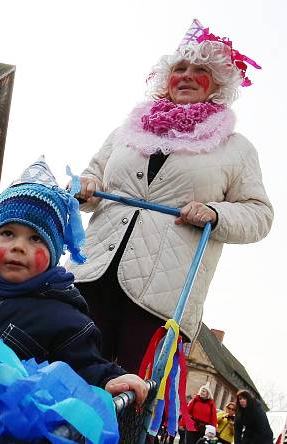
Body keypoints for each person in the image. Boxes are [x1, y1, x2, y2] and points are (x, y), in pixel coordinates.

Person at [69, 19, 273, 371]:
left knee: (133, 390)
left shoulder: (236, 147)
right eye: (180, 68)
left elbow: (259, 215)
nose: (187, 76)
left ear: (218, 84)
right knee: (71, 369)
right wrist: (83, 188)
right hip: (93, 273)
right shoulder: (126, 131)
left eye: (200, 70)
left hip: (161, 295)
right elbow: (93, 177)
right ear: (166, 77)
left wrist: (215, 212)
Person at [0, 159, 148, 401]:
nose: (19, 246)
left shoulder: (65, 319)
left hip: (2, 420)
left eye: (35, 239)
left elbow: (85, 367)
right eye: (7, 233)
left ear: (53, 253)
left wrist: (108, 379)